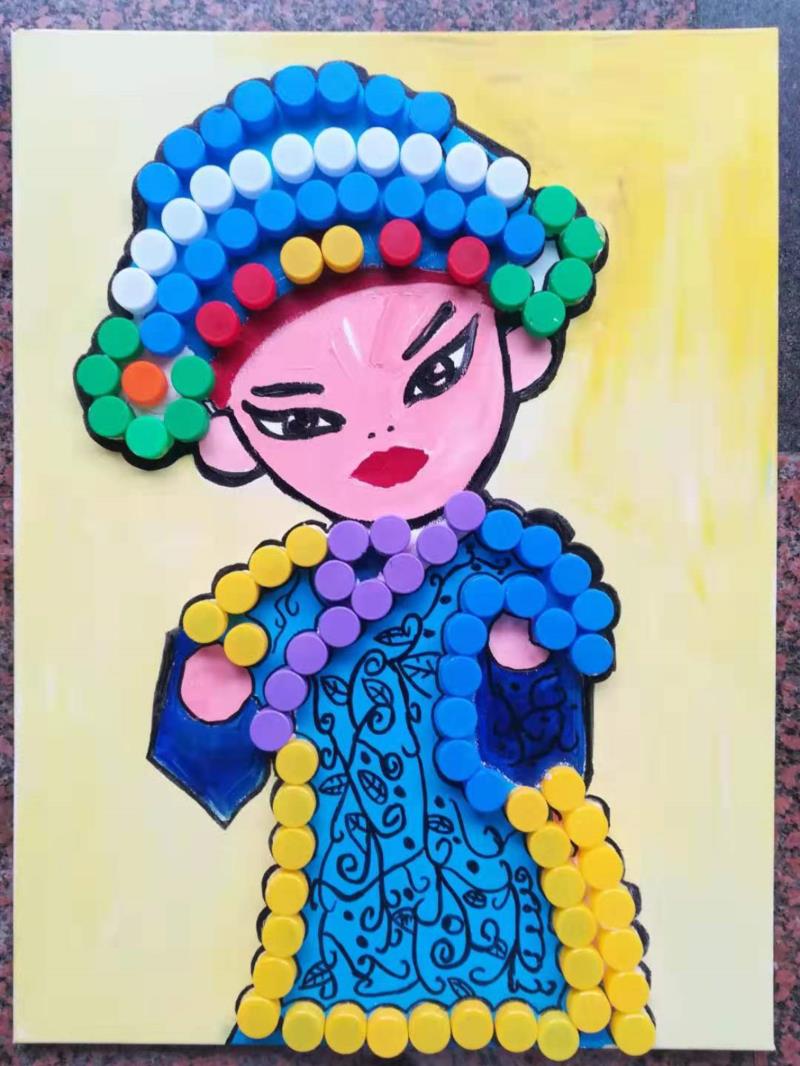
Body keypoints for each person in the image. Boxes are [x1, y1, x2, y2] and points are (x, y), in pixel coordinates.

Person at [74, 61, 655, 1058]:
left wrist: (521, 667)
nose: (382, 428)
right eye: (304, 418)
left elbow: (552, 751)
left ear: (516, 345)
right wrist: (211, 697)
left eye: (434, 372)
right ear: (231, 439)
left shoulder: (517, 573)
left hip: (518, 945)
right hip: (332, 958)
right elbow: (211, 764)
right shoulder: (282, 597)